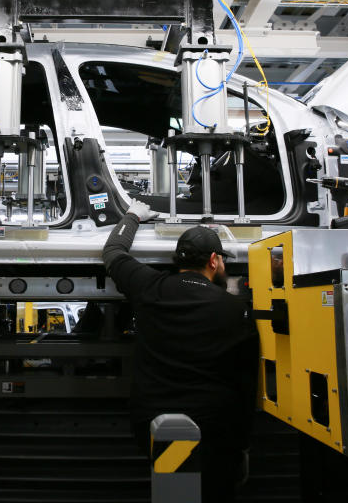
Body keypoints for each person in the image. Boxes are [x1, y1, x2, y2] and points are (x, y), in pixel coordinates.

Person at [102, 199, 257, 503]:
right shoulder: (235, 310)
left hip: (152, 423)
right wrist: (242, 446)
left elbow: (113, 253)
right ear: (214, 261)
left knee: (174, 489)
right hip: (214, 429)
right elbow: (246, 384)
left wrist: (133, 215)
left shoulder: (149, 287)